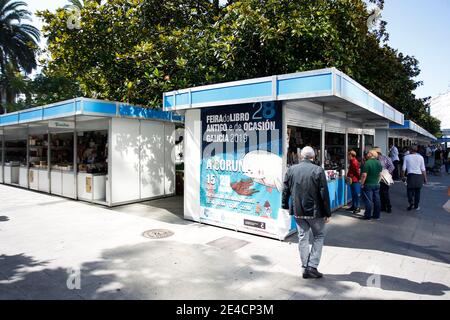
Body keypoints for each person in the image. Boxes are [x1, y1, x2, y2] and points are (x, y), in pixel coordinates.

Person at [282, 146, 331, 279]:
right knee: (319, 236)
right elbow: (324, 193)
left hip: (298, 210)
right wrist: (327, 212)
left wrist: (284, 205)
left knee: (302, 238)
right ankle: (312, 266)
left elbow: (285, 189)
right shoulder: (318, 170)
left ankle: (305, 267)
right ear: (313, 157)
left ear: (300, 156)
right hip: (315, 212)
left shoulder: (291, 169)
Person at [402, 146, 428, 211]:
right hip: (419, 176)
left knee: (409, 190)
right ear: (417, 150)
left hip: (410, 175)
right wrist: (425, 178)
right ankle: (416, 206)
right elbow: (423, 169)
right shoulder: (420, 157)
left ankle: (411, 202)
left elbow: (403, 168)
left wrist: (402, 176)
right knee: (417, 192)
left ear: (410, 150)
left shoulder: (406, 157)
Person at [360, 150, 382, 220]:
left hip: (368, 184)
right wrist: (377, 181)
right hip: (376, 184)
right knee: (377, 200)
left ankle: (367, 216)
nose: (367, 154)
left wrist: (362, 183)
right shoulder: (378, 163)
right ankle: (376, 215)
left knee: (368, 201)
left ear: (371, 154)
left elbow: (364, 175)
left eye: (368, 153)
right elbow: (380, 174)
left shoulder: (367, 163)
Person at [374, 147, 395, 213]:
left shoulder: (385, 158)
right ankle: (383, 207)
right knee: (380, 193)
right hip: (377, 178)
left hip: (384, 178)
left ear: (377, 153)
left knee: (385, 193)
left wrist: (386, 172)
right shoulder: (374, 159)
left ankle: (388, 207)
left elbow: (392, 166)